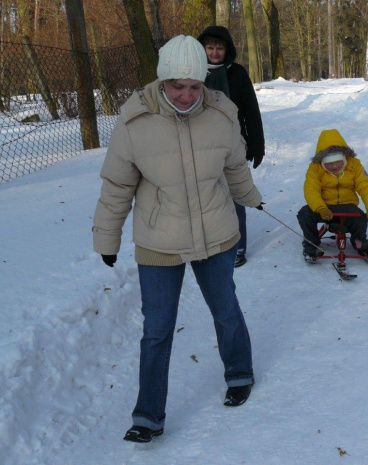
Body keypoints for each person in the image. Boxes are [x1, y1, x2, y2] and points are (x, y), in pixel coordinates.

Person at [92, 35, 262, 444]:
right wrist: (107, 238)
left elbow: (235, 167)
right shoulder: (135, 120)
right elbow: (117, 184)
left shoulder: (221, 113)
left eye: (195, 86)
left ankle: (239, 372)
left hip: (216, 232)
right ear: (162, 81)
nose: (186, 95)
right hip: (160, 239)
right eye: (177, 86)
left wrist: (251, 199)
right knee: (158, 328)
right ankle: (148, 415)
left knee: (225, 309)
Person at [197, 25, 265, 268]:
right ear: (202, 48)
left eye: (219, 48)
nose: (215, 52)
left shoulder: (237, 73)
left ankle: (238, 246)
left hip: (233, 142)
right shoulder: (192, 72)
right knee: (204, 197)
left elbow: (250, 110)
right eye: (210, 47)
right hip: (199, 145)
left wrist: (257, 144)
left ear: (227, 50)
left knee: (235, 195)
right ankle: (208, 242)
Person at [297, 129, 368, 263]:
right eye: (329, 163)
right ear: (322, 162)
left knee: (360, 219)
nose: (335, 166)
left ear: (344, 157)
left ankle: (360, 243)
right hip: (325, 207)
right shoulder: (315, 168)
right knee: (304, 214)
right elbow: (311, 190)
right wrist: (320, 208)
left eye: (338, 162)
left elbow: (365, 185)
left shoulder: (354, 165)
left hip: (347, 206)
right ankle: (311, 243)